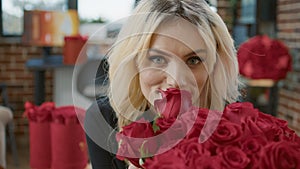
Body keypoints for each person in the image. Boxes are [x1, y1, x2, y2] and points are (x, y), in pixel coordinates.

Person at [84, 0, 240, 168]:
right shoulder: (103, 118)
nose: (176, 80)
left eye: (193, 60)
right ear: (133, 62)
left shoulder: (235, 122)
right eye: (158, 59)